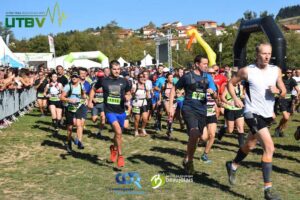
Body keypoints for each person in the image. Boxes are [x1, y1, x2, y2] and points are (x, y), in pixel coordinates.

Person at [225, 43, 286, 200]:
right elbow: (230, 84)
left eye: (269, 53)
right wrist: (236, 99)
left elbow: (284, 91)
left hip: (266, 115)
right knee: (269, 147)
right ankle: (268, 190)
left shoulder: (276, 70)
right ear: (257, 54)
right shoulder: (247, 71)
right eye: (263, 53)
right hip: (251, 113)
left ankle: (232, 165)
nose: (266, 56)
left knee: (250, 145)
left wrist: (278, 91)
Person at [169, 55, 217, 175]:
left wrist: (213, 94)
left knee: (204, 137)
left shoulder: (208, 77)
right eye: (204, 64)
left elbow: (215, 94)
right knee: (194, 133)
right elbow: (174, 88)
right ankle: (190, 162)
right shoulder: (187, 76)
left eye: (207, 64)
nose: (207, 66)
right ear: (196, 64)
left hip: (202, 110)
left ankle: (186, 158)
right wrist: (171, 106)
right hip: (189, 108)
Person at [89, 60, 131, 168]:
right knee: (118, 132)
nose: (117, 71)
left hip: (121, 111)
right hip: (109, 111)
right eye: (114, 69)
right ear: (110, 69)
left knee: (119, 134)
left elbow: (128, 93)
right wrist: (90, 100)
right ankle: (120, 156)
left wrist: (128, 97)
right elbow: (93, 89)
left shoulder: (124, 81)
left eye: (118, 69)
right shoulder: (103, 81)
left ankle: (113, 148)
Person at [61, 71, 87, 152]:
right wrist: (69, 99)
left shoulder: (80, 85)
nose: (74, 78)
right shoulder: (68, 86)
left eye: (75, 77)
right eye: (73, 77)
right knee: (70, 127)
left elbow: (83, 94)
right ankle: (69, 143)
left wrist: (85, 98)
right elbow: (61, 97)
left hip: (78, 106)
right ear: (71, 78)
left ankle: (79, 142)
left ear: (78, 78)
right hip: (69, 107)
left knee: (79, 124)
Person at [220, 67, 246, 147]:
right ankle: (223, 130)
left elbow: (241, 95)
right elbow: (222, 97)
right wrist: (229, 103)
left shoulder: (240, 87)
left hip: (239, 109)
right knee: (230, 130)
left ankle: (241, 146)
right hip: (230, 109)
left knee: (240, 128)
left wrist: (244, 97)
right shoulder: (228, 86)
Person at [274, 69, 299, 137]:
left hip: (289, 101)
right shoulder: (280, 80)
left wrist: (297, 95)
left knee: (286, 119)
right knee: (286, 117)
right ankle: (278, 129)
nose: (289, 74)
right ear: (285, 73)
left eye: (290, 73)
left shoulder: (292, 80)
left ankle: (280, 130)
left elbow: (298, 89)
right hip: (282, 100)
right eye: (288, 72)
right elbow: (275, 88)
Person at [201, 67, 218, 163]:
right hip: (202, 113)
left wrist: (214, 95)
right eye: (210, 73)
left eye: (214, 73)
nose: (212, 74)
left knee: (212, 135)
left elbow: (216, 98)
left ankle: (205, 155)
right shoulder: (201, 84)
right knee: (204, 137)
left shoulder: (215, 86)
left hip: (211, 113)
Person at [131, 72, 150, 137]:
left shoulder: (146, 85)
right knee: (137, 119)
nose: (142, 78)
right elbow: (131, 95)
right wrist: (133, 92)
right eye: (141, 77)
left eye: (143, 77)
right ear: (138, 78)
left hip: (144, 102)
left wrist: (148, 91)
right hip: (136, 103)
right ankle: (136, 131)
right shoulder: (134, 85)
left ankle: (143, 129)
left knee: (145, 118)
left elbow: (147, 96)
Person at [89, 71, 105, 137]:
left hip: (103, 103)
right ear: (97, 77)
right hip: (95, 104)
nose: (101, 78)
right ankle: (97, 120)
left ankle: (99, 131)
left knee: (103, 118)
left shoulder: (105, 84)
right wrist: (92, 99)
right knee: (94, 120)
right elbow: (90, 93)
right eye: (99, 77)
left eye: (102, 77)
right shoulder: (93, 83)